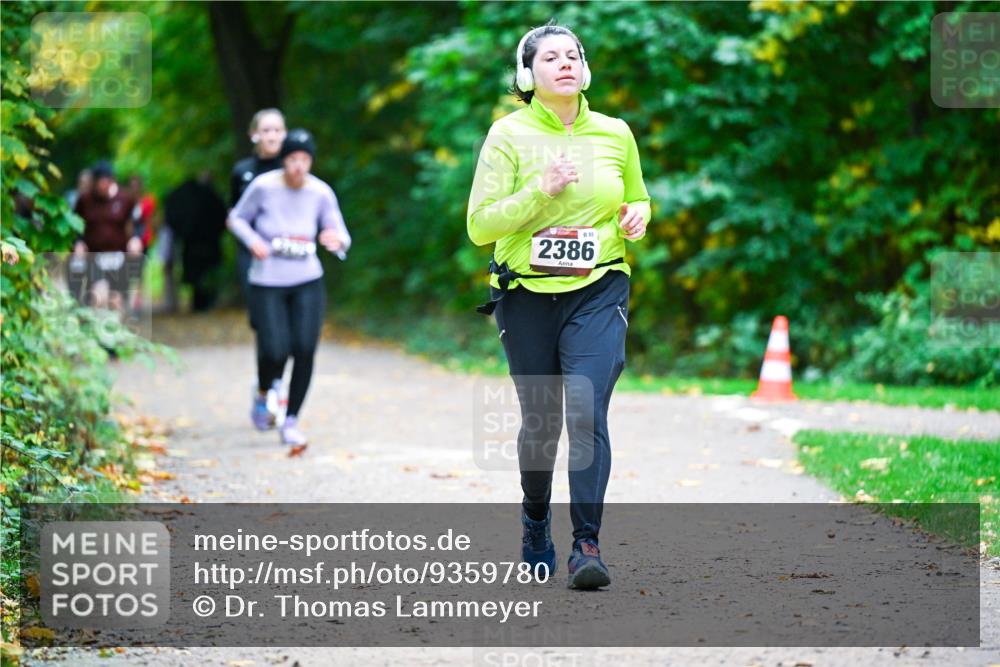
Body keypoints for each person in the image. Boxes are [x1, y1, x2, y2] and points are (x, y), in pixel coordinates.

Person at [467, 23, 650, 590]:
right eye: (550, 57)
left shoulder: (615, 132)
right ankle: (535, 517)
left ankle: (586, 545)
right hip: (525, 294)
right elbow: (480, 226)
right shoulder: (507, 135)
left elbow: (638, 196)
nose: (565, 63)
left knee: (587, 410)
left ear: (585, 68)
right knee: (542, 422)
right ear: (528, 75)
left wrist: (639, 216)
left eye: (573, 55)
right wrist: (539, 190)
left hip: (599, 287)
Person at [228, 129, 351, 452]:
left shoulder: (320, 192)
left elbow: (340, 232)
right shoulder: (263, 186)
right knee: (275, 350)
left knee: (305, 349)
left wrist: (336, 241)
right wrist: (253, 241)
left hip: (307, 279)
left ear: (311, 161)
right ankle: (263, 391)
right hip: (267, 279)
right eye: (293, 159)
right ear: (283, 160)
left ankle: (291, 420)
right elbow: (236, 218)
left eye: (304, 160)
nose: (298, 166)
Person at [71, 161, 144, 312]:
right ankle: (96, 324)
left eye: (106, 182)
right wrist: (79, 242)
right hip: (95, 257)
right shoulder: (85, 200)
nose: (103, 187)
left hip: (119, 257)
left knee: (116, 301)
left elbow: (138, 222)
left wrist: (136, 239)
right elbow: (75, 225)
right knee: (99, 296)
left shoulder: (125, 199)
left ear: (112, 181)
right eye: (100, 183)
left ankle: (115, 325)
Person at [230, 108, 288, 302]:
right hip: (252, 250)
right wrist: (250, 239)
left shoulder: (292, 169)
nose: (272, 136)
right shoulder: (242, 171)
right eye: (266, 130)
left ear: (285, 133)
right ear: (254, 134)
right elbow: (234, 213)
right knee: (259, 307)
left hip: (287, 249)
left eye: (277, 130)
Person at [163, 172, 228, 311]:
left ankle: (203, 302)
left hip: (198, 243)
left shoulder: (193, 197)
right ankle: (202, 302)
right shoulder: (207, 197)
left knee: (202, 273)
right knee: (199, 274)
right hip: (199, 243)